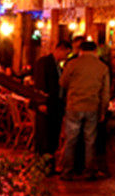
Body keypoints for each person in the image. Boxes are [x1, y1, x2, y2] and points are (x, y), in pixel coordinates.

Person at [58, 40, 110, 179]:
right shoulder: (102, 67)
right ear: (95, 51)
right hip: (92, 106)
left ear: (80, 51)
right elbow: (105, 93)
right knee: (90, 141)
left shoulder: (72, 64)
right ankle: (89, 171)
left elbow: (62, 82)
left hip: (74, 105)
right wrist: (103, 111)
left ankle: (67, 171)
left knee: (71, 140)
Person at [32, 40, 71, 166]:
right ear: (60, 49)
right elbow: (40, 83)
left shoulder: (59, 66)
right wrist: (41, 102)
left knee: (53, 135)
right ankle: (42, 164)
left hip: (56, 105)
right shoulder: (44, 62)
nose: (66, 57)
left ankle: (50, 163)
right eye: (66, 53)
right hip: (46, 104)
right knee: (44, 136)